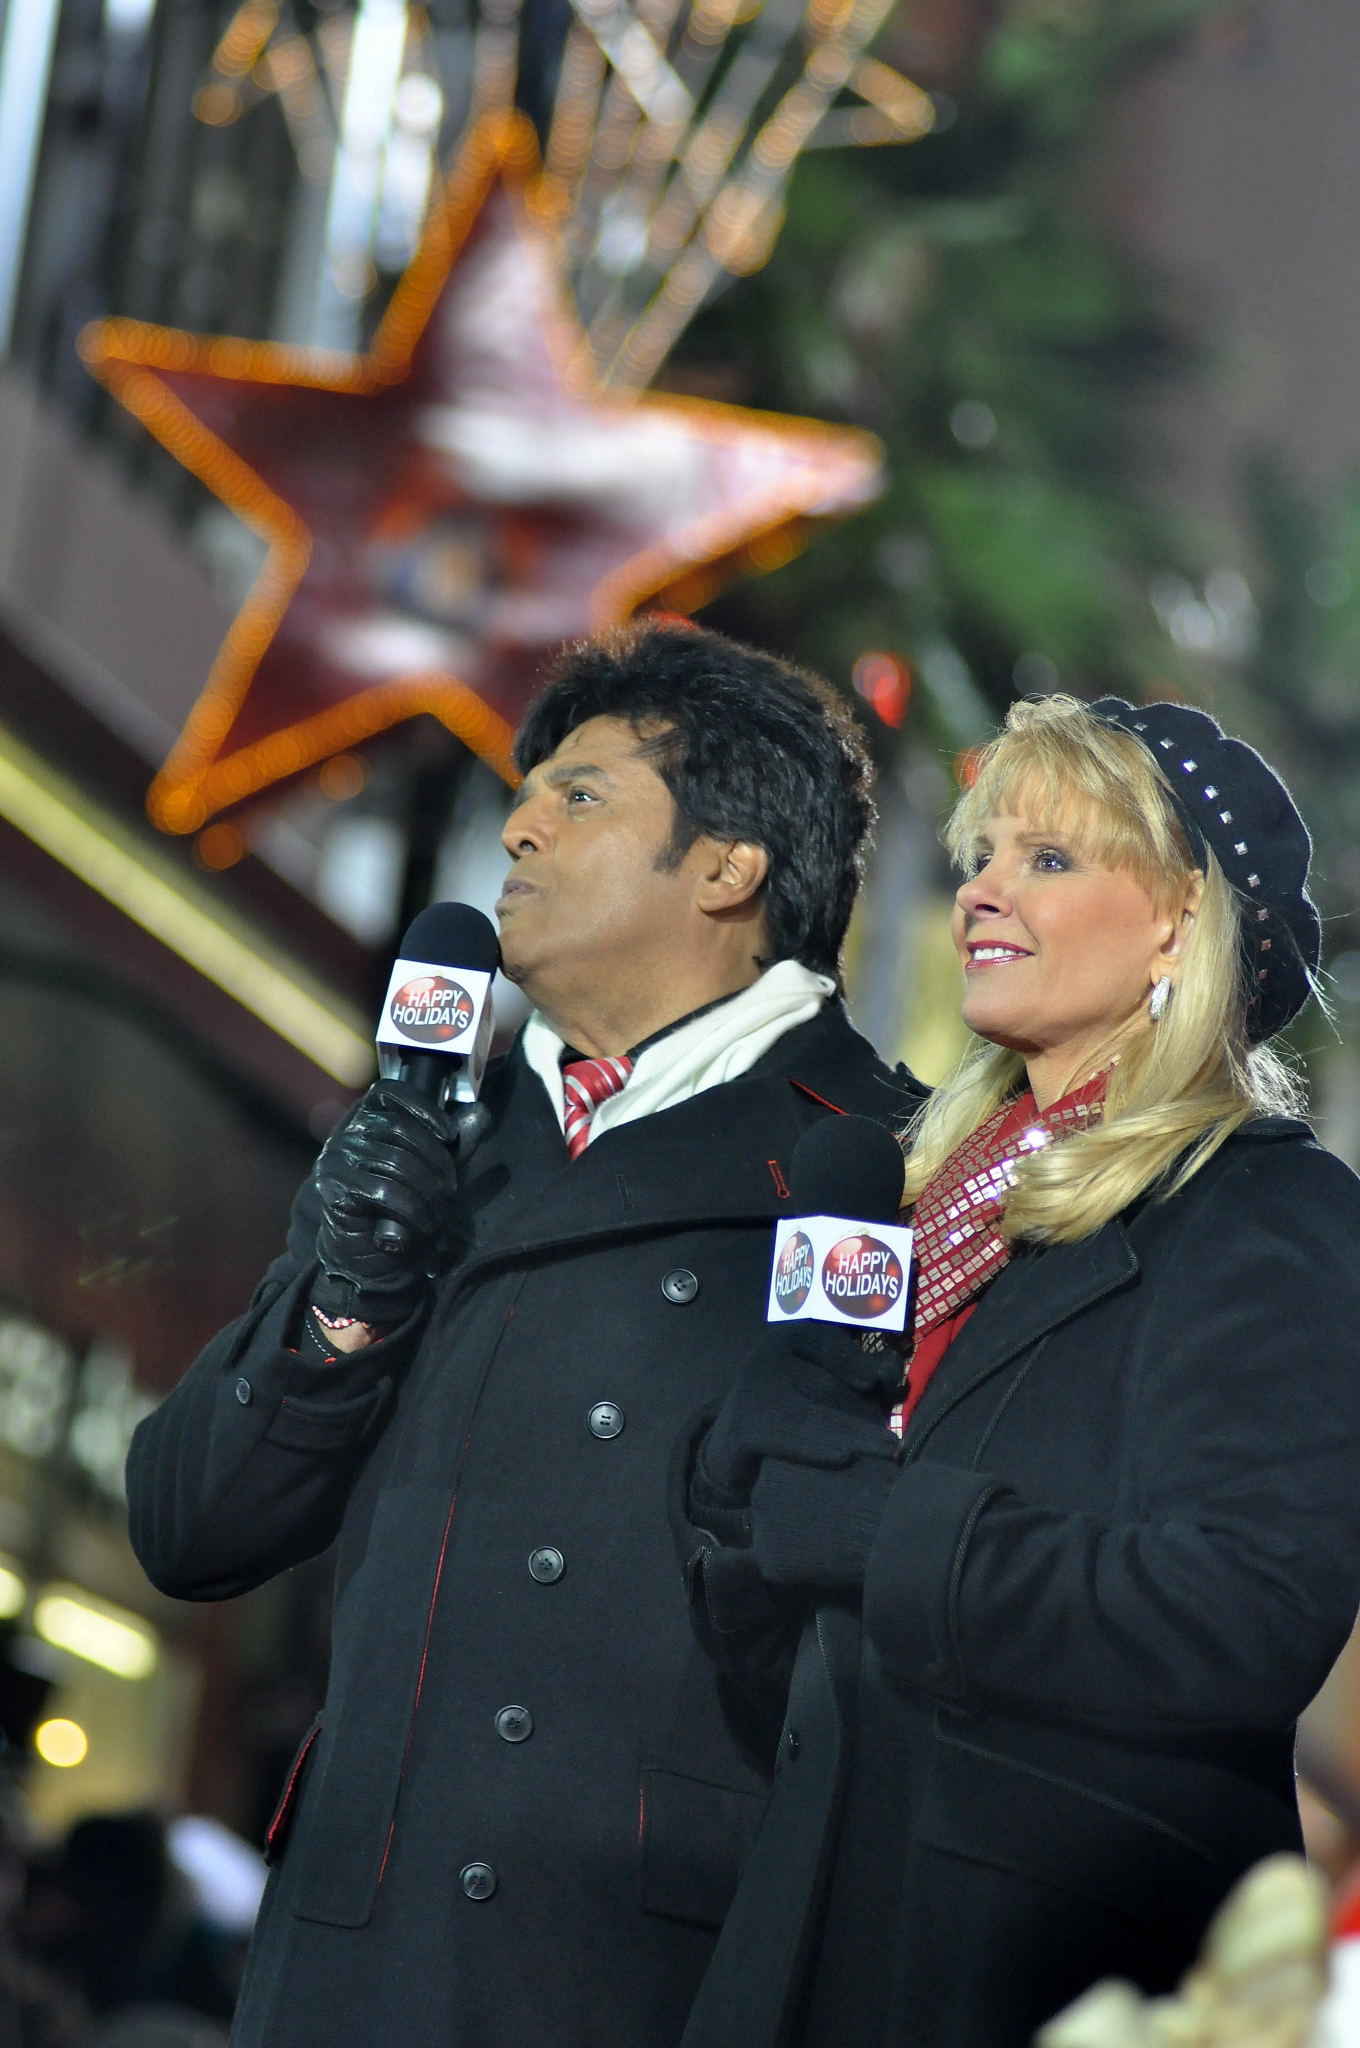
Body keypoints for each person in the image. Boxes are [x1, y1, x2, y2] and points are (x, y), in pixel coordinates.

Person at [125, 622, 924, 2048]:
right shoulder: (434, 1128)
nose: (520, 824)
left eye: (585, 796)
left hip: (632, 1968)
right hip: (346, 1962)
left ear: (729, 868)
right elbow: (190, 1524)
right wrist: (345, 1305)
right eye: (531, 791)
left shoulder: (885, 1165)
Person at [675, 693, 1360, 2048]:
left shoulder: (1266, 1214)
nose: (982, 890)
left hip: (1035, 1971)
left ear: (1180, 919)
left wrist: (878, 1529)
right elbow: (802, 1639)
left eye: (1049, 859)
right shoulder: (914, 1204)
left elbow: (1242, 1611)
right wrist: (738, 1502)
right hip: (802, 1940)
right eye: (982, 855)